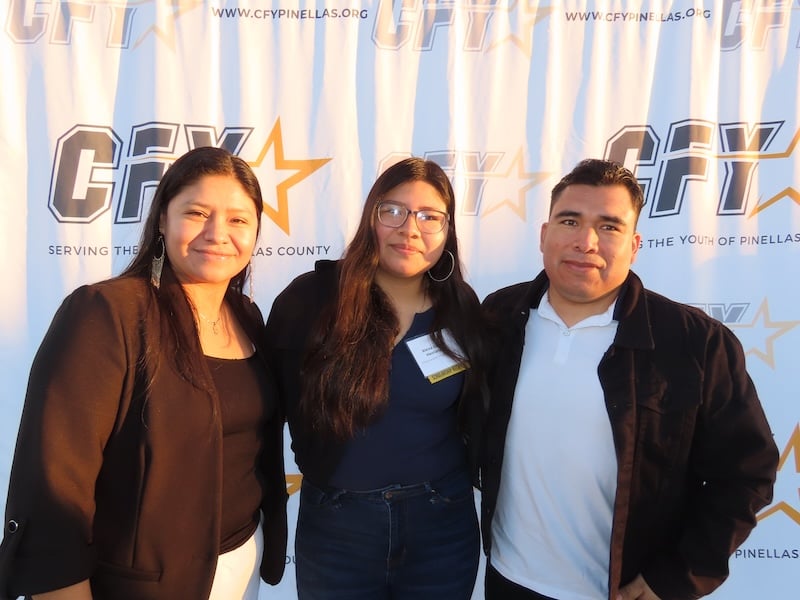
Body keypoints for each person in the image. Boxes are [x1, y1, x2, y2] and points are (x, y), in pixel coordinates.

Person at [479, 158, 779, 600]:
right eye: (570, 221)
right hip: (508, 579)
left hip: (622, 590)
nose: (586, 242)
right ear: (544, 236)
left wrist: (674, 579)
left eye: (609, 226)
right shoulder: (500, 316)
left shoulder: (695, 343)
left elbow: (746, 474)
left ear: (635, 245)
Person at [0, 147, 288, 600]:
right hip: (146, 586)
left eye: (238, 220)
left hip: (242, 560)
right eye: (196, 212)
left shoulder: (248, 315)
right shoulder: (107, 313)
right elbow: (53, 484)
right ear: (161, 221)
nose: (218, 233)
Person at [264, 157, 488, 599]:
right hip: (338, 527)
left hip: (440, 525)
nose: (411, 229)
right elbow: (271, 410)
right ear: (372, 217)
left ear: (448, 232)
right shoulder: (310, 301)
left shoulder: (461, 307)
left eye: (430, 217)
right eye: (394, 211)